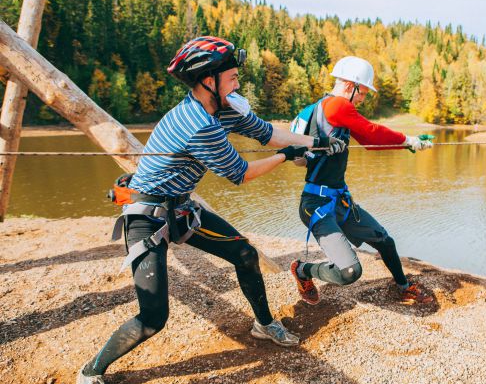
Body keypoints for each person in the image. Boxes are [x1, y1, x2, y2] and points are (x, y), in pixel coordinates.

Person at [77, 36, 345, 384]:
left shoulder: (224, 108)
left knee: (245, 254)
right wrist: (286, 157)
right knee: (153, 318)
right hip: (147, 217)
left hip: (182, 208)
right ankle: (91, 371)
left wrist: (316, 142)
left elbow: (267, 133)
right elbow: (242, 174)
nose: (238, 83)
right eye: (232, 77)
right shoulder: (198, 125)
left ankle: (264, 324)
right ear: (208, 82)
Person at [289, 56, 435, 306]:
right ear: (349, 85)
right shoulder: (337, 106)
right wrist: (409, 139)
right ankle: (302, 270)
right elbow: (372, 131)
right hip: (316, 205)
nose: (362, 99)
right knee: (349, 273)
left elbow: (369, 143)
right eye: (363, 93)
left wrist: (405, 146)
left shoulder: (314, 111)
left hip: (338, 200)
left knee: (385, 241)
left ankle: (403, 286)